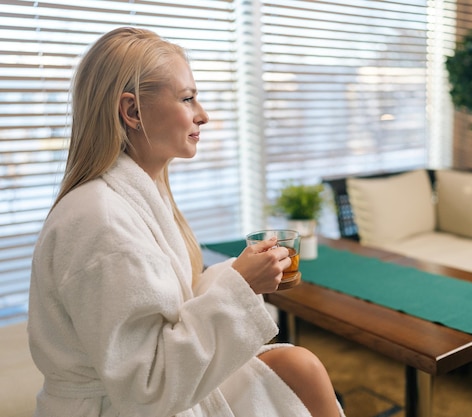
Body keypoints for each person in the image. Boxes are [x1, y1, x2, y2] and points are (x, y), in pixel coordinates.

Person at [28, 27, 345, 417]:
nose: (203, 115)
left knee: (301, 366)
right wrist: (241, 286)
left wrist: (239, 272)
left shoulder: (138, 197)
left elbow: (166, 307)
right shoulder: (101, 222)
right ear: (131, 112)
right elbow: (148, 387)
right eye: (187, 98)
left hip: (153, 391)